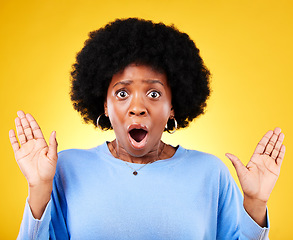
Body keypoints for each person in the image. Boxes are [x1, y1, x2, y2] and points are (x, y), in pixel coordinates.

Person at [10, 18, 285, 240]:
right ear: (104, 105)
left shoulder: (211, 174)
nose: (137, 107)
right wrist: (39, 188)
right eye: (121, 94)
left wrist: (256, 203)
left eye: (153, 94)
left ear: (173, 107)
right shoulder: (66, 168)